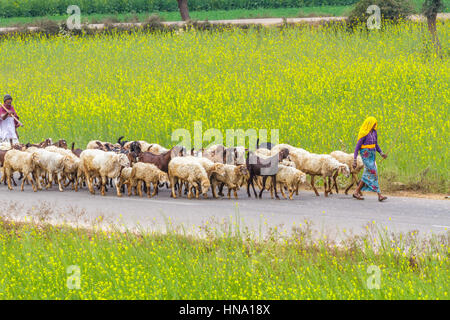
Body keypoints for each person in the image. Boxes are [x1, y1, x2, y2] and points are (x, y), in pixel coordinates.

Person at [352, 116, 388, 202]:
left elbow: (376, 144)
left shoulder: (374, 132)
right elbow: (357, 147)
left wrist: (381, 153)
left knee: (367, 173)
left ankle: (356, 192)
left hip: (372, 155)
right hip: (365, 155)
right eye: (374, 124)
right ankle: (379, 195)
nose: (375, 125)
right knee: (373, 172)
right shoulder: (364, 133)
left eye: (375, 124)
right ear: (370, 124)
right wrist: (354, 160)